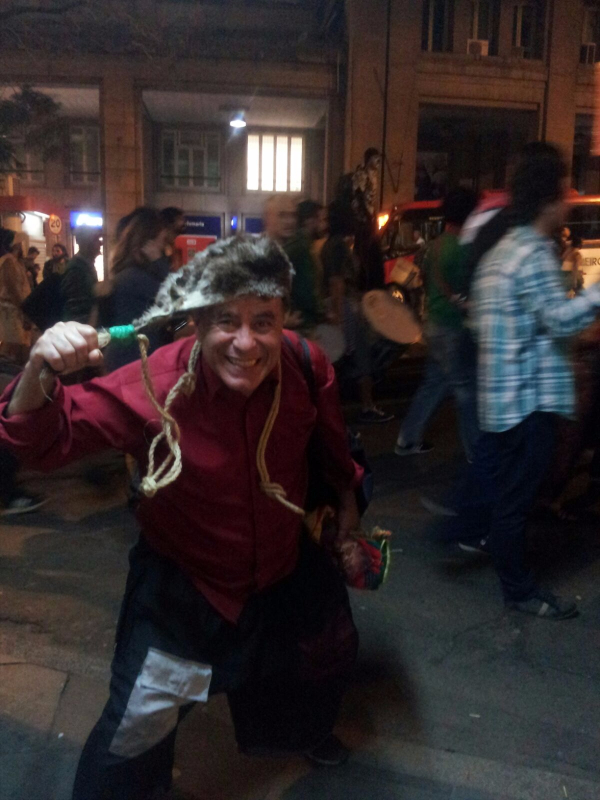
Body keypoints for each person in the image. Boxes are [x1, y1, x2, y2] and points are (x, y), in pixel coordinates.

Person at [0, 235, 362, 799]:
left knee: (318, 662)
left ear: (283, 320)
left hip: (281, 572)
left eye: (263, 322)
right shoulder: (155, 385)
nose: (246, 343)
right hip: (185, 592)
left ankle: (301, 732)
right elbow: (41, 441)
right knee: (134, 738)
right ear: (196, 322)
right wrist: (39, 369)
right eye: (227, 321)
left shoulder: (305, 366)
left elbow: (334, 452)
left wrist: (347, 510)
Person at [452, 143, 600, 620]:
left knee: (508, 499)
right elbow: (560, 320)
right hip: (527, 405)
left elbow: (483, 326)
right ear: (548, 199)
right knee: (516, 503)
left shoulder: (501, 253)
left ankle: (505, 568)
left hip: (500, 403)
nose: (569, 203)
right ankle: (519, 590)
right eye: (565, 194)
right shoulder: (534, 254)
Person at [395, 188, 479, 459]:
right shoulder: (464, 248)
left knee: (433, 385)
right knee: (466, 391)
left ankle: (407, 440)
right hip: (454, 326)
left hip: (434, 323)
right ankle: (477, 453)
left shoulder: (435, 245)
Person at [322, 200, 394, 424]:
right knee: (361, 357)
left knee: (348, 360)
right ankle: (366, 406)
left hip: (345, 305)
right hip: (347, 307)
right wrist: (340, 317)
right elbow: (337, 281)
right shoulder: (338, 246)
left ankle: (341, 410)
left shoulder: (330, 244)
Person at [102, 207, 171, 372]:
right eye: (161, 241)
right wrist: (158, 262)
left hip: (126, 358)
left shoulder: (127, 275)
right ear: (147, 243)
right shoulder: (137, 278)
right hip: (135, 360)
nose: (165, 248)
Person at [284, 200, 324, 332]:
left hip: (301, 317)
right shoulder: (301, 246)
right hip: (301, 320)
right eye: (319, 219)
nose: (322, 225)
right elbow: (307, 284)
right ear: (309, 220)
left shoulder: (303, 244)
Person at [351, 147, 385, 291]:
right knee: (364, 248)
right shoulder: (362, 174)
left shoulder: (374, 175)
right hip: (362, 219)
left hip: (370, 216)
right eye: (376, 158)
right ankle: (362, 280)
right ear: (369, 159)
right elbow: (358, 195)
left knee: (371, 247)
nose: (378, 162)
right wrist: (367, 215)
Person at [0, 229, 31, 364]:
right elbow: (14, 289)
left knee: (17, 347)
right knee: (15, 348)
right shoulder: (8, 262)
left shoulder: (15, 261)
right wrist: (25, 310)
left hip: (15, 310)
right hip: (13, 311)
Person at [61, 227, 102, 326]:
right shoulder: (76, 268)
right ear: (86, 243)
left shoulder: (84, 265)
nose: (101, 243)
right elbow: (75, 308)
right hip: (80, 329)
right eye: (96, 239)